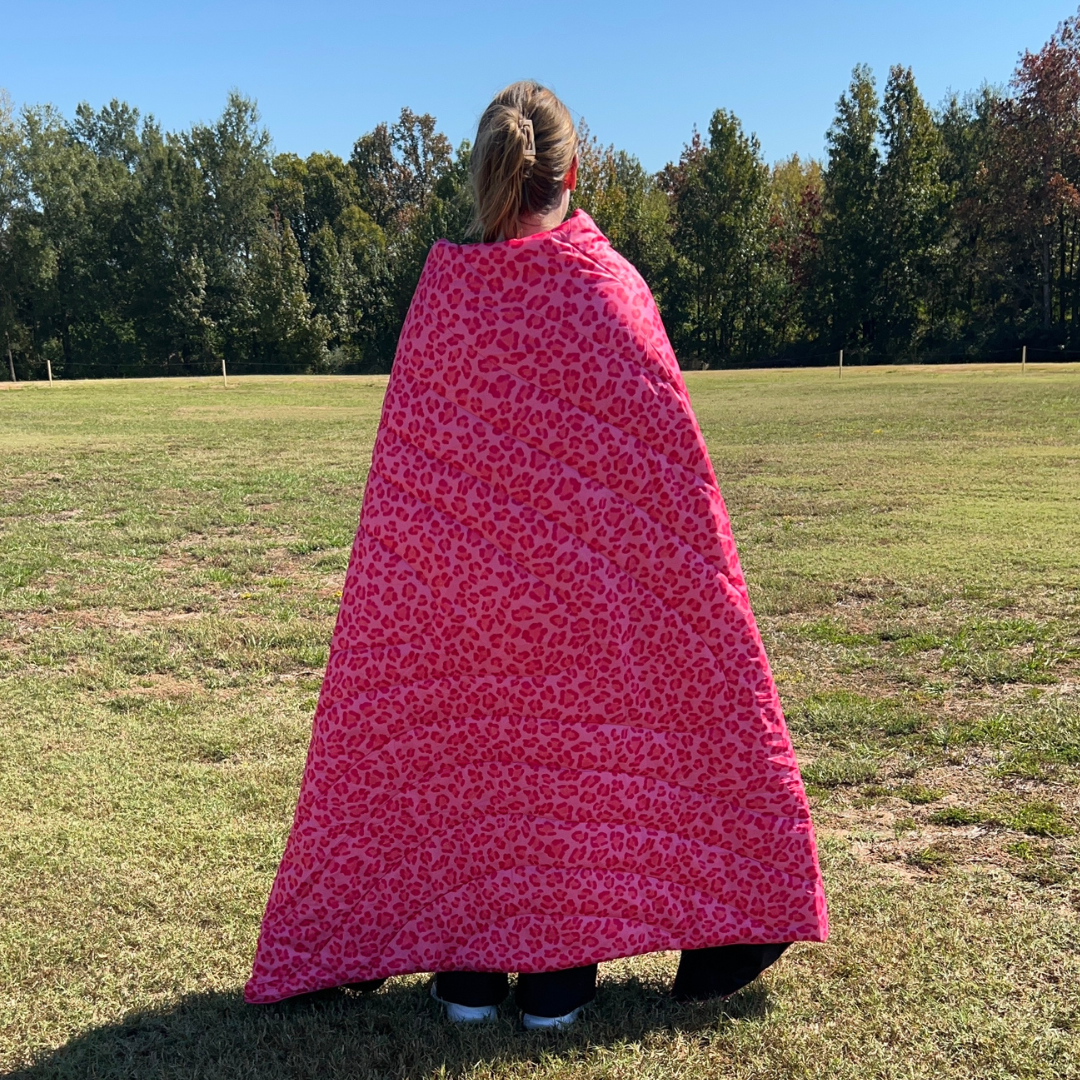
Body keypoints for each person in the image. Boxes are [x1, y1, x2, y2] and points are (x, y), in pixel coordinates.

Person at [245, 81, 827, 1030]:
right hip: (585, 616)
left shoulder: (444, 297)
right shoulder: (611, 289)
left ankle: (469, 970)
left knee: (470, 751)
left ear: (486, 174)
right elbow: (674, 498)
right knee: (576, 769)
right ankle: (560, 969)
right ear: (573, 170)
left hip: (462, 604)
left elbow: (413, 481)